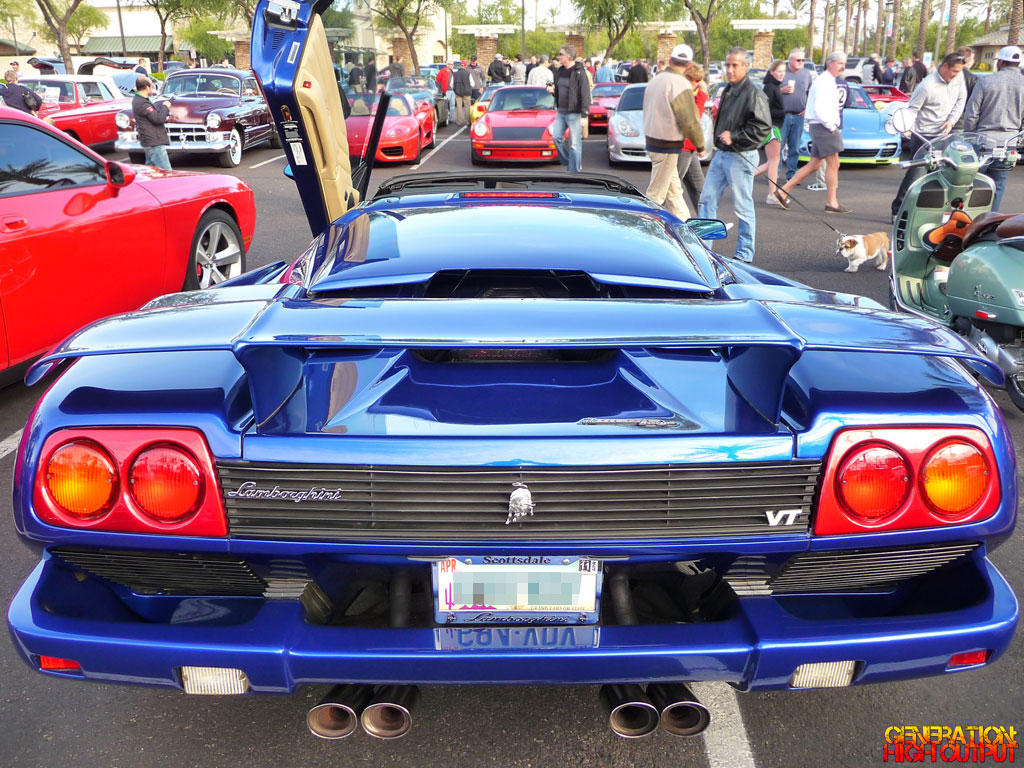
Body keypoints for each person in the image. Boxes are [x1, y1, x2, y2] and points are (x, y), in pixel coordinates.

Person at [697, 48, 771, 263]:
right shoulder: (729, 88)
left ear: (746, 66)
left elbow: (763, 128)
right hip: (721, 154)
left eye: (734, 65)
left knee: (742, 206)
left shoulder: (753, 93)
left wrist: (735, 136)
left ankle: (745, 254)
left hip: (741, 155)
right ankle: (704, 249)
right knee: (706, 200)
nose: (729, 69)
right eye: (727, 65)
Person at [890, 51, 967, 219]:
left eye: (959, 71)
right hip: (923, 136)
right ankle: (898, 210)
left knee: (942, 176)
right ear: (945, 66)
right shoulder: (926, 86)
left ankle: (932, 213)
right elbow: (912, 110)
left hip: (944, 135)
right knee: (915, 175)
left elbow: (961, 100)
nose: (956, 75)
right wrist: (906, 127)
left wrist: (951, 121)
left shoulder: (959, 78)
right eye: (954, 71)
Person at [776, 51, 851, 212]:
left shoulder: (827, 80)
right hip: (824, 126)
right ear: (830, 63)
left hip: (819, 126)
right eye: (840, 63)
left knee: (815, 164)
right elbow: (819, 109)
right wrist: (831, 126)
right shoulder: (824, 82)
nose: (843, 67)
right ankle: (831, 203)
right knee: (834, 163)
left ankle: (782, 191)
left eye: (844, 64)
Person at [642, 44, 705, 218]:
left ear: (670, 61)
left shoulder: (656, 80)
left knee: (674, 192)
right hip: (667, 144)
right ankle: (645, 226)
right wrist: (700, 145)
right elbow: (689, 120)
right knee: (656, 195)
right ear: (689, 64)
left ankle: (684, 225)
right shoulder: (680, 83)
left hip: (653, 141)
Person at [963, 46, 1024, 211]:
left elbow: (971, 113)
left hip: (983, 141)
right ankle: (990, 220)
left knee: (975, 184)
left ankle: (971, 219)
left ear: (1001, 62)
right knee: (998, 185)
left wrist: (970, 135)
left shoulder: (986, 81)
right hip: (1009, 143)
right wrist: (1018, 136)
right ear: (1018, 64)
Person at [547, 44, 591, 173]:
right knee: (556, 137)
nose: (558, 57)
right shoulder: (560, 71)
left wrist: (584, 115)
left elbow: (585, 94)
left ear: (569, 57)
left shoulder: (579, 72)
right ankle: (567, 161)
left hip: (574, 113)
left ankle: (574, 172)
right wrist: (553, 91)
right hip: (561, 112)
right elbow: (559, 90)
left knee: (574, 145)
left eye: (561, 54)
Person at [777, 47, 813, 183]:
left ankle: (791, 175)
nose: (801, 62)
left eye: (803, 60)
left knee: (795, 147)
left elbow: (810, 93)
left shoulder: (806, 74)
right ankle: (775, 173)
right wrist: (782, 90)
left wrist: (807, 108)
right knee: (778, 146)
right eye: (798, 60)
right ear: (790, 60)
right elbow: (770, 91)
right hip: (783, 115)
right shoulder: (782, 72)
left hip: (799, 115)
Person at [678, 62, 709, 213]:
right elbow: (693, 118)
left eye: (700, 81)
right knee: (671, 188)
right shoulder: (681, 94)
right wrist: (702, 95)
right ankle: (655, 219)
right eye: (696, 80)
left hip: (688, 146)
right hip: (681, 146)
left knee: (699, 188)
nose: (698, 84)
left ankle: (706, 220)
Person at [756, 60, 787, 205]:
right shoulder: (770, 87)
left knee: (772, 162)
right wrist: (782, 112)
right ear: (771, 72)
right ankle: (771, 194)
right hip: (772, 126)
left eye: (784, 71)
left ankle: (744, 177)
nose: (782, 74)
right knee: (774, 161)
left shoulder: (774, 86)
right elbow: (765, 109)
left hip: (775, 126)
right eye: (779, 71)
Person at [132, 76, 171, 170]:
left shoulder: (139, 100)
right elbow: (158, 118)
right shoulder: (142, 103)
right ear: (147, 87)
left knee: (151, 171)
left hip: (148, 141)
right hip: (154, 142)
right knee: (166, 172)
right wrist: (165, 106)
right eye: (152, 86)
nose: (152, 88)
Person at [952, 46, 978, 130]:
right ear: (969, 61)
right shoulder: (973, 79)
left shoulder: (948, 73)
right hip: (961, 121)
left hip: (943, 119)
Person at [453, 60, 472, 125]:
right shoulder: (468, 73)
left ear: (460, 66)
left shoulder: (455, 74)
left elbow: (451, 84)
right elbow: (472, 84)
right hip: (467, 92)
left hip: (458, 92)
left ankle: (459, 121)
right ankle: (467, 121)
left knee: (459, 107)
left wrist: (455, 89)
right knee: (467, 107)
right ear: (466, 66)